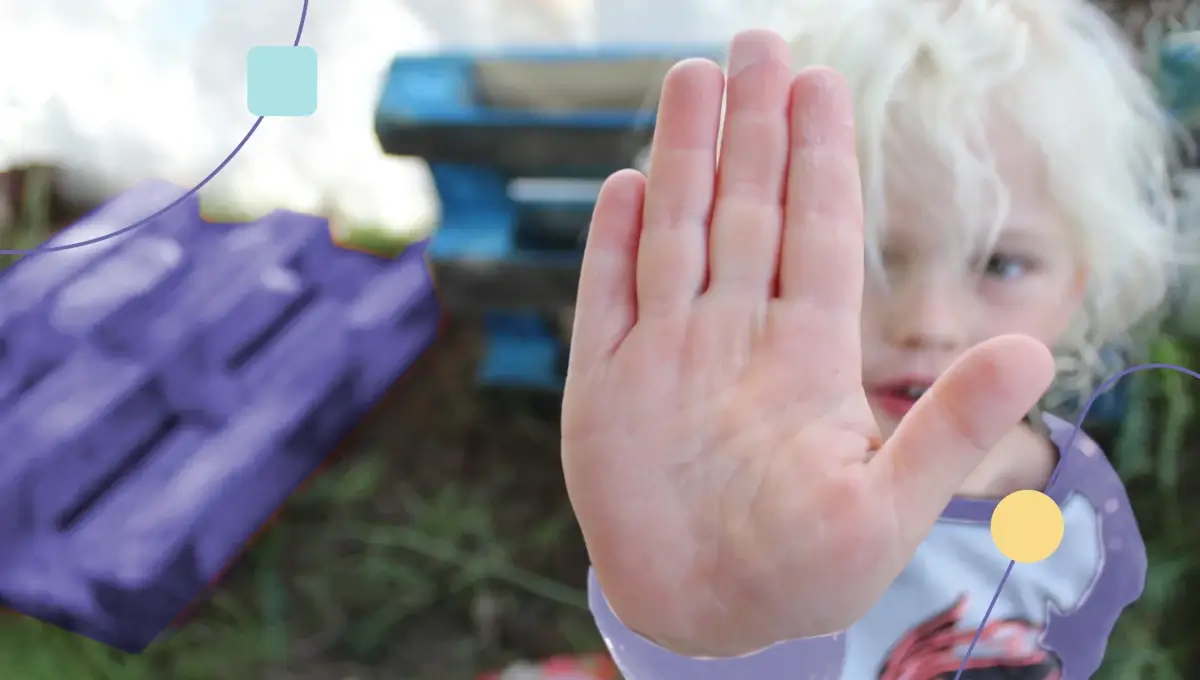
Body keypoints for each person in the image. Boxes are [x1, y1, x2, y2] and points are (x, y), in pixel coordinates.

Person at [560, 0, 1184, 677]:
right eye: (868, 258)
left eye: (1003, 264)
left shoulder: (1081, 505)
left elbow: (1080, 639)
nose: (930, 323)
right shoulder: (744, 508)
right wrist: (684, 638)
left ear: (1073, 286)